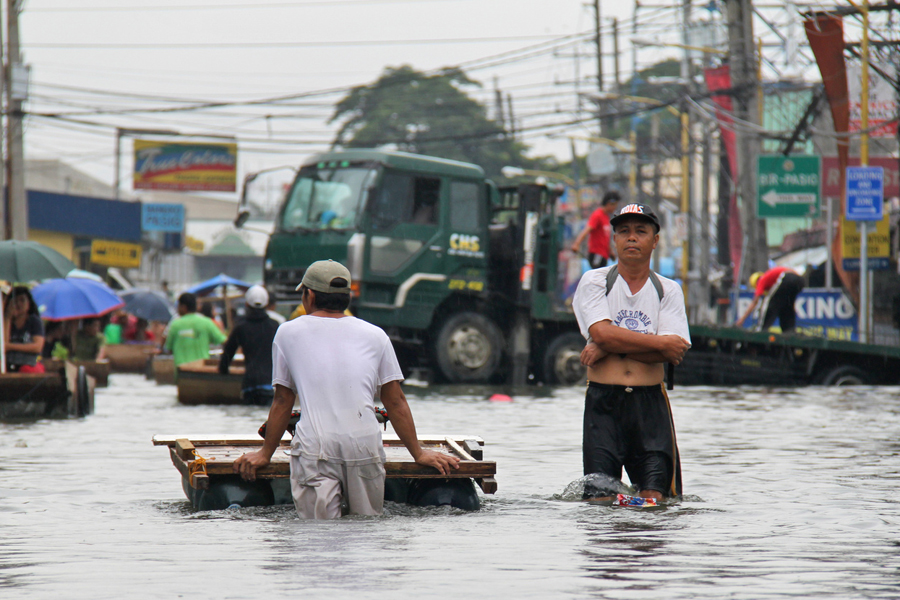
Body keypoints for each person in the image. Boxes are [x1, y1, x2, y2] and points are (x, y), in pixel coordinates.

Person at [233, 259, 459, 519]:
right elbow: (395, 401)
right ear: (347, 297)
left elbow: (283, 401)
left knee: (319, 536)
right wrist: (419, 453)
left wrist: (265, 453)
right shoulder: (376, 335)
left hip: (316, 448)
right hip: (364, 444)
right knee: (366, 533)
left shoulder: (287, 332)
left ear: (310, 295)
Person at [573, 203, 691, 502]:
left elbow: (672, 351)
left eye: (641, 231)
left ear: (655, 240)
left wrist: (609, 347)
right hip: (603, 404)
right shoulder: (595, 281)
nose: (632, 238)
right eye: (623, 232)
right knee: (599, 500)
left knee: (656, 501)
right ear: (614, 240)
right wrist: (654, 342)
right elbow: (601, 332)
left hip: (650, 406)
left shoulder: (668, 289)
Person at [219, 285, 280, 405]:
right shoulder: (275, 326)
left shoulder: (241, 327)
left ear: (247, 304)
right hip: (270, 385)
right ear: (267, 304)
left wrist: (224, 371)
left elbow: (227, 355)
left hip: (250, 386)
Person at [161, 292, 227, 370]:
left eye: (178, 306)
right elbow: (223, 341)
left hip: (182, 370)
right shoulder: (207, 322)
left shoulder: (175, 324)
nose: (177, 309)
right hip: (202, 369)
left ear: (184, 307)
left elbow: (168, 348)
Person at [736, 267, 805, 333]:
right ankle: (789, 330)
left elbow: (755, 301)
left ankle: (761, 329)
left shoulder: (761, 280)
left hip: (787, 278)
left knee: (768, 302)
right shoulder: (771, 277)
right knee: (787, 306)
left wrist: (742, 319)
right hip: (800, 281)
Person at [570, 191, 620, 269]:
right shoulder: (597, 215)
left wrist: (610, 251)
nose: (615, 208)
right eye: (615, 205)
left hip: (604, 255)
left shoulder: (606, 217)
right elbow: (587, 230)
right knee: (597, 277)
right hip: (597, 253)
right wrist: (576, 244)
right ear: (610, 203)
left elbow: (604, 237)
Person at [4, 286, 45, 373]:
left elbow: (37, 347)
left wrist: (10, 346)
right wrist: (8, 318)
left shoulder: (34, 321)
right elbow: (3, 345)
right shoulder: (4, 321)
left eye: (22, 300)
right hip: (8, 363)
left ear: (29, 304)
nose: (18, 304)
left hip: (30, 363)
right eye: (15, 301)